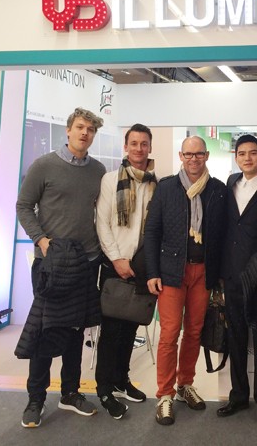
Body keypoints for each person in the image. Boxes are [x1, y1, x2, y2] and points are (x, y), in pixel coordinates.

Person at [15, 107, 106, 428]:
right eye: (80, 127)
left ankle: (70, 393)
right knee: (45, 330)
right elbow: (23, 206)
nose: (85, 133)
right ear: (68, 130)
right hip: (51, 264)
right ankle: (35, 399)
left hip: (86, 262)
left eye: (90, 130)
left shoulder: (97, 170)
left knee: (76, 332)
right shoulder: (44, 166)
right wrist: (41, 240)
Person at [144, 136, 226, 425]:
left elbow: (223, 235)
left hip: (203, 272)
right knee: (169, 334)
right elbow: (152, 232)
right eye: (188, 154)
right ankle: (164, 394)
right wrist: (152, 272)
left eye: (199, 154)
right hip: (171, 272)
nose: (194, 159)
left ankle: (185, 384)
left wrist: (219, 275)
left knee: (193, 331)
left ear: (206, 155)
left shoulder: (217, 189)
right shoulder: (166, 187)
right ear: (181, 156)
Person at [94, 124, 156, 419]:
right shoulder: (110, 179)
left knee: (131, 327)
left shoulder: (156, 182)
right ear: (126, 146)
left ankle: (121, 378)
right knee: (112, 330)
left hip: (141, 267)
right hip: (115, 264)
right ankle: (105, 388)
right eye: (134, 143)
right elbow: (102, 223)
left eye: (144, 144)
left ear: (149, 147)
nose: (139, 149)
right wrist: (117, 259)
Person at [217, 135, 257, 423]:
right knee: (236, 337)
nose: (248, 158)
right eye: (242, 153)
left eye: (253, 153)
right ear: (236, 157)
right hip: (232, 275)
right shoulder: (230, 184)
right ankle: (238, 396)